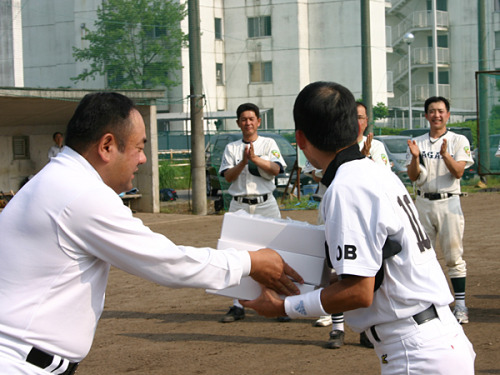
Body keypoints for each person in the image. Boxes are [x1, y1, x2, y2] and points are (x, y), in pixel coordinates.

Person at [0, 92, 302, 374]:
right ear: (107, 146)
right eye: (139, 147)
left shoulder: (54, 179)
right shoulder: (81, 194)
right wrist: (251, 262)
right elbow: (169, 262)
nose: (143, 159)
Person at [242, 81, 475, 374]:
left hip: (417, 350)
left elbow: (359, 292)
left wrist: (283, 307)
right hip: (433, 337)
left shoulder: (346, 186)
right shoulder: (373, 171)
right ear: (356, 129)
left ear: (300, 139)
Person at [313, 102, 390, 349]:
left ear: (367, 120)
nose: (357, 121)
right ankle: (337, 328)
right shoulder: (332, 146)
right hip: (333, 208)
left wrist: (364, 159)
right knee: (336, 267)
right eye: (352, 116)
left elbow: (384, 175)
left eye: (361, 116)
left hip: (364, 215)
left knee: (367, 269)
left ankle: (367, 327)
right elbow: (314, 171)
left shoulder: (376, 146)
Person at [406, 96, 474, 325]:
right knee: (423, 257)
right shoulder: (418, 142)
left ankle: (461, 306)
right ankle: (430, 304)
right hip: (423, 203)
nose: (437, 115)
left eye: (441, 111)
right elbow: (414, 177)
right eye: (432, 111)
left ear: (448, 115)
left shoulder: (457, 140)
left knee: (454, 257)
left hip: (449, 202)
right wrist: (415, 158)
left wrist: (445, 154)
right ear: (426, 115)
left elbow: (458, 172)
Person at [218, 102, 288, 323]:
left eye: (251, 118)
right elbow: (228, 177)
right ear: (238, 123)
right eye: (243, 119)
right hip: (239, 205)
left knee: (277, 253)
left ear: (258, 121)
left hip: (266, 203)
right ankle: (238, 305)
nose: (248, 122)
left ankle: (279, 303)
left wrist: (256, 159)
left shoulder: (268, 143)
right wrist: (244, 162)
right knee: (236, 254)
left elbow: (276, 169)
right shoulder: (232, 148)